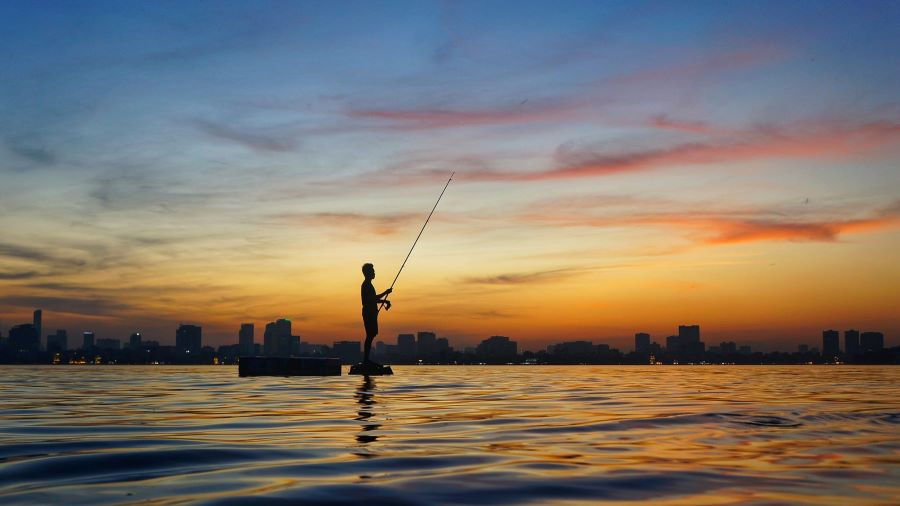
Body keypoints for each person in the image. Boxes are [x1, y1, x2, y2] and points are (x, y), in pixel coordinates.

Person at [361, 263, 391, 366]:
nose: (374, 273)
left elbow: (373, 299)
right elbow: (371, 299)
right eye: (373, 271)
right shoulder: (366, 285)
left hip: (371, 313)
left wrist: (385, 302)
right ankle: (366, 360)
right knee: (369, 336)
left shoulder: (369, 285)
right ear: (368, 273)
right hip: (369, 314)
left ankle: (366, 360)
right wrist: (386, 292)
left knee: (371, 335)